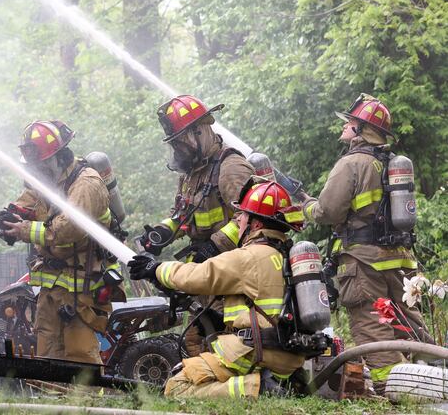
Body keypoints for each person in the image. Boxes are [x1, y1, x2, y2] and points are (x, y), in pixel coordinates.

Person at [300, 93, 432, 393]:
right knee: (406, 320)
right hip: (398, 259)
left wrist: (307, 206)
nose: (343, 129)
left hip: (363, 262)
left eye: (349, 124)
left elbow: (328, 211)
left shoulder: (352, 164)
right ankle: (435, 372)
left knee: (372, 326)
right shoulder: (389, 163)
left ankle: (396, 387)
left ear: (360, 129)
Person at [129, 180, 306, 398]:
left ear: (256, 224)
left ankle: (259, 389)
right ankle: (277, 384)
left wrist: (155, 268)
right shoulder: (288, 257)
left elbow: (196, 276)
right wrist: (218, 320)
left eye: (242, 215)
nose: (238, 220)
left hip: (256, 354)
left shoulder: (248, 256)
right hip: (289, 356)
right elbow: (266, 309)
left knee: (177, 384)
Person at [139, 94, 254, 355]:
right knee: (195, 340)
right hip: (203, 273)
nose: (179, 150)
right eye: (175, 144)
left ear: (200, 131)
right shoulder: (192, 173)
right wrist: (162, 232)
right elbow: (182, 213)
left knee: (227, 340)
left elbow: (250, 217)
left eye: (181, 142)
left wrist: (215, 245)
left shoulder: (231, 167)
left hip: (230, 273)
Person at [0, 120, 113, 363]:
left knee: (79, 351)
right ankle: (53, 396)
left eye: (41, 166)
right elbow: (28, 200)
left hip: (83, 283)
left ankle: (85, 400)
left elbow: (69, 229)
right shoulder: (49, 180)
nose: (38, 172)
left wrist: (24, 230)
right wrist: (8, 218)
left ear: (58, 157)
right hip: (53, 284)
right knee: (46, 347)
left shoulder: (86, 183)